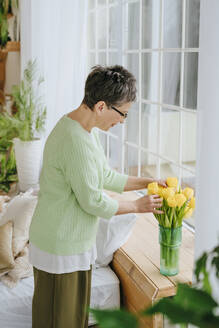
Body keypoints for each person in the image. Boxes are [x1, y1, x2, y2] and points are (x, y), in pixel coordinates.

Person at [29, 65, 165, 328]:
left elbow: (104, 176)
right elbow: (92, 201)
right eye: (123, 114)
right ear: (102, 106)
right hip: (60, 246)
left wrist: (146, 182)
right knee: (61, 321)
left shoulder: (83, 131)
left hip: (67, 244)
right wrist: (137, 205)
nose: (123, 121)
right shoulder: (75, 140)